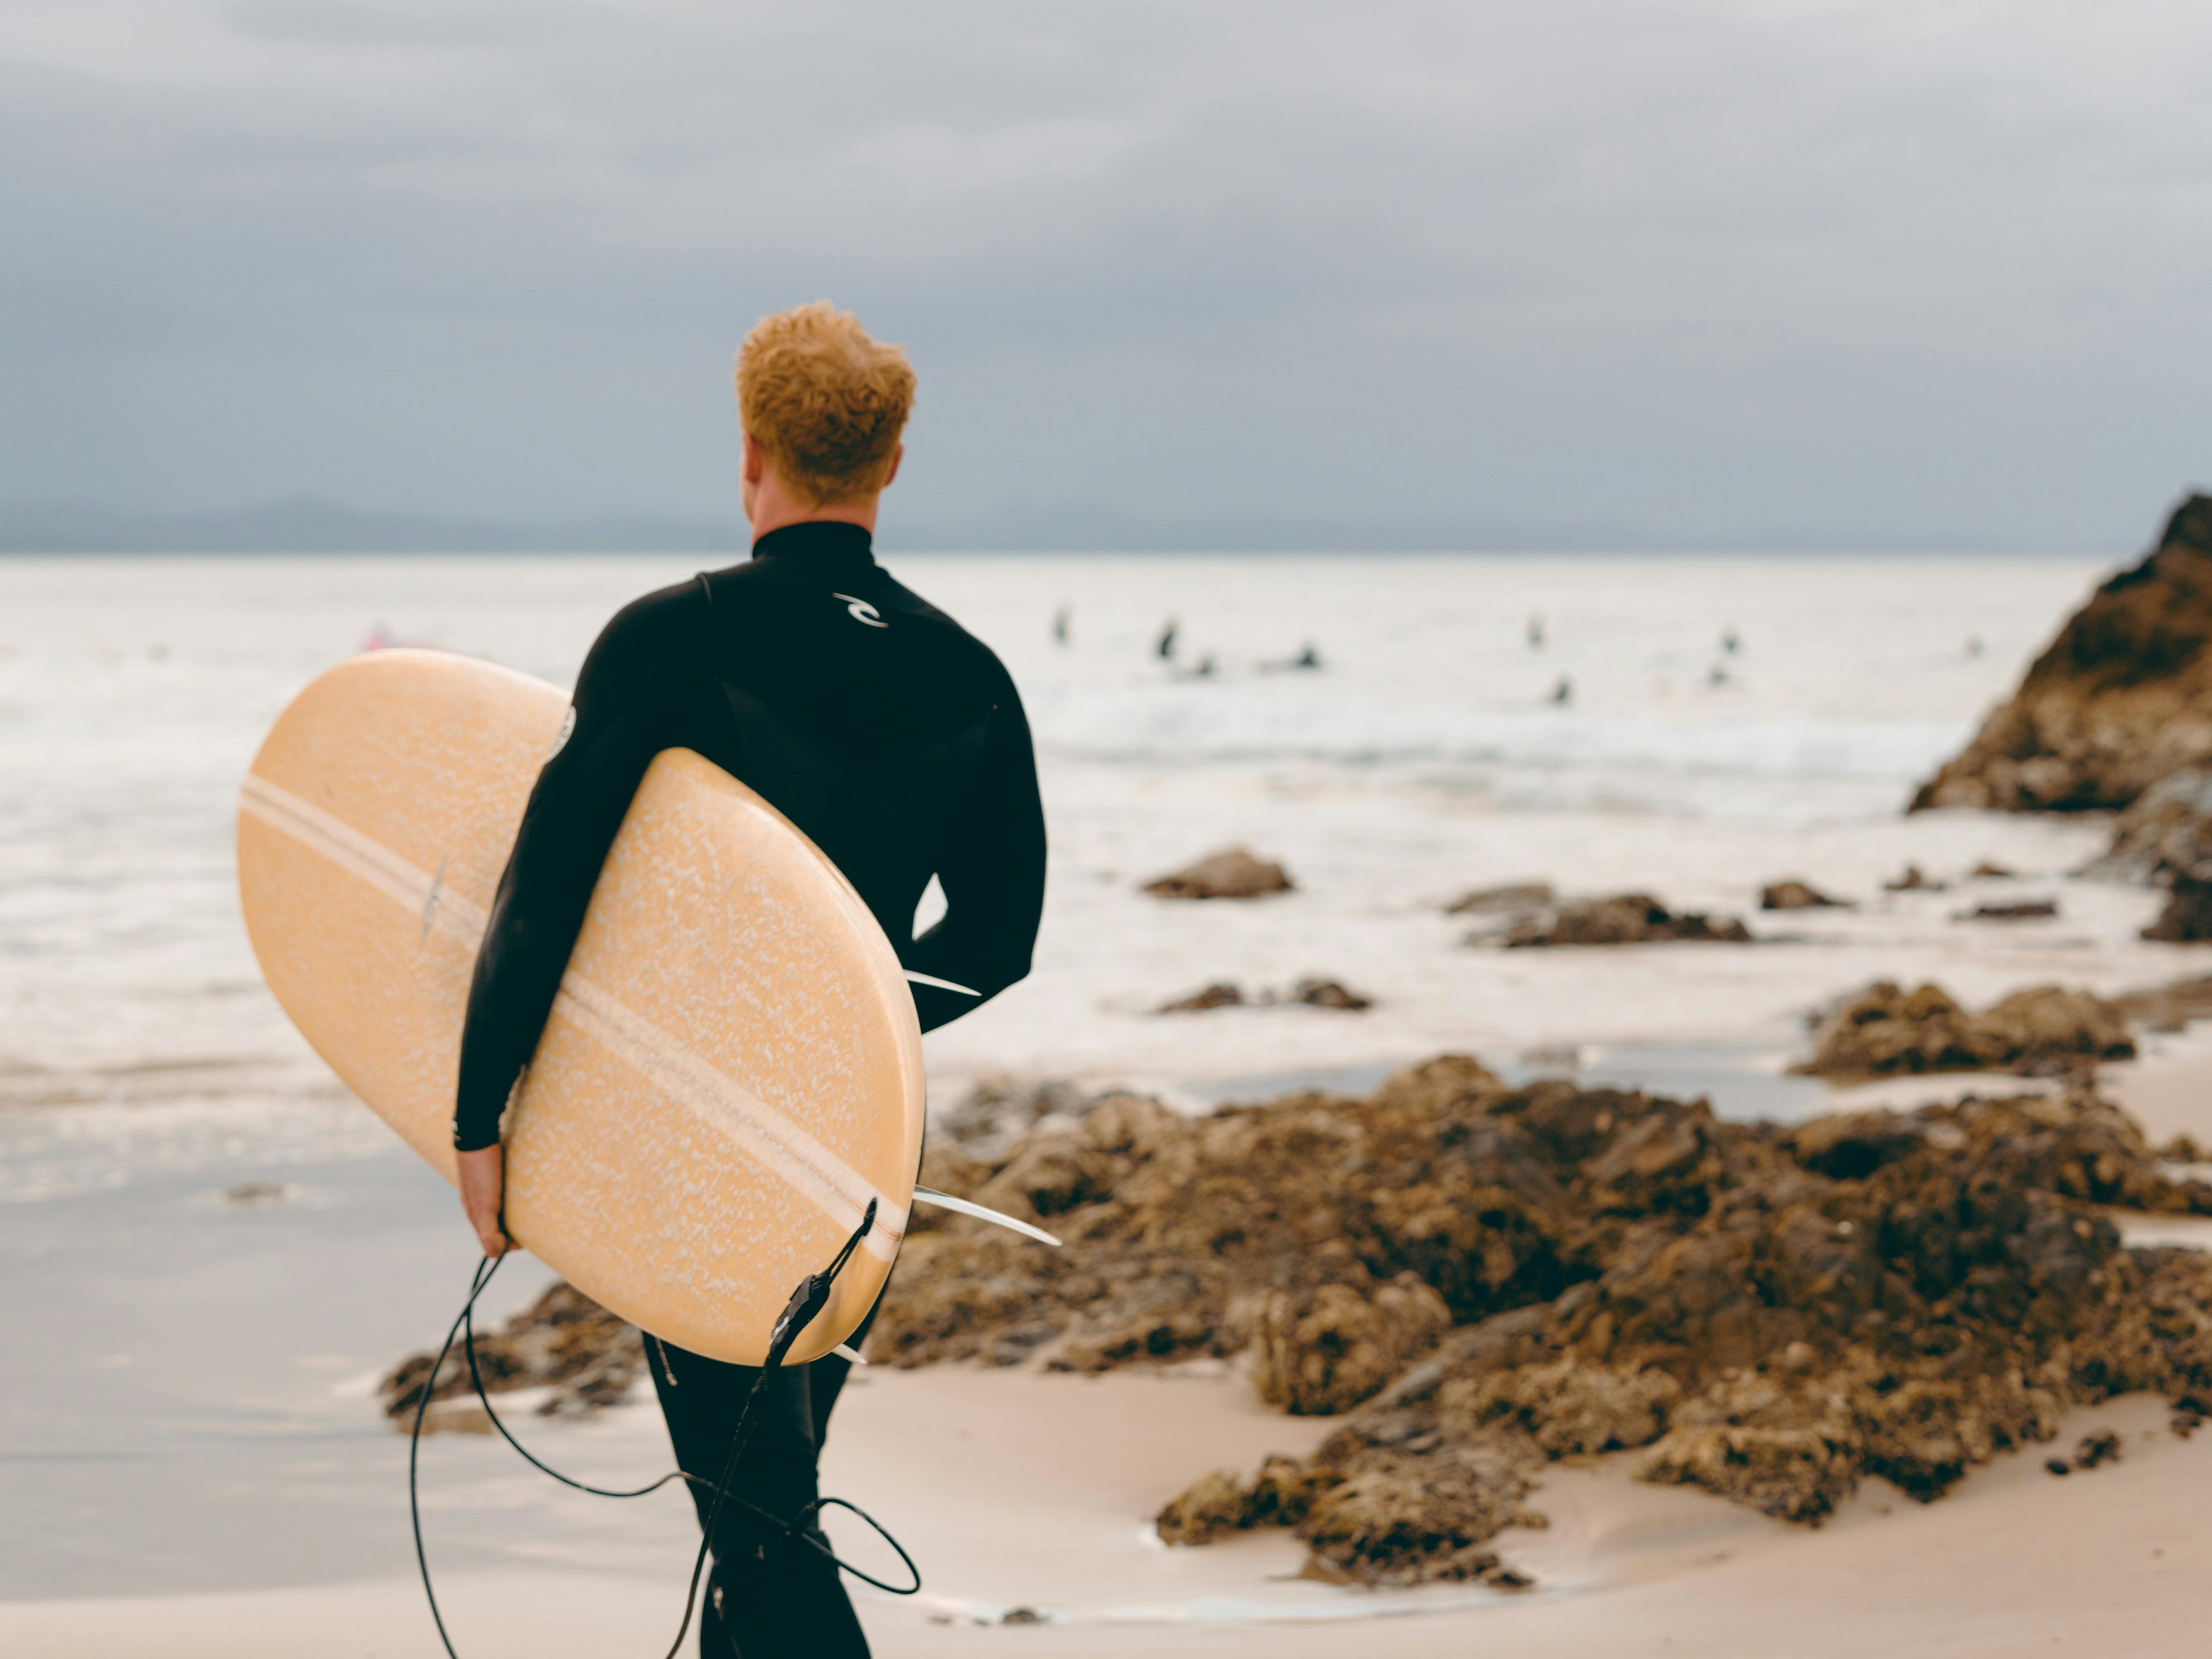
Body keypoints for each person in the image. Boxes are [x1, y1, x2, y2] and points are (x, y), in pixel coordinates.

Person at [449, 302, 1047, 1659]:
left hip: (698, 1133)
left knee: (760, 1511)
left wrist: (481, 1115)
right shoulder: (972, 675)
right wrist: (851, 1028)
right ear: (894, 464)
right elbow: (999, 936)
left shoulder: (672, 638)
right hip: (860, 1140)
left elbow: (543, 891)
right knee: (762, 1496)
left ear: (750, 451)